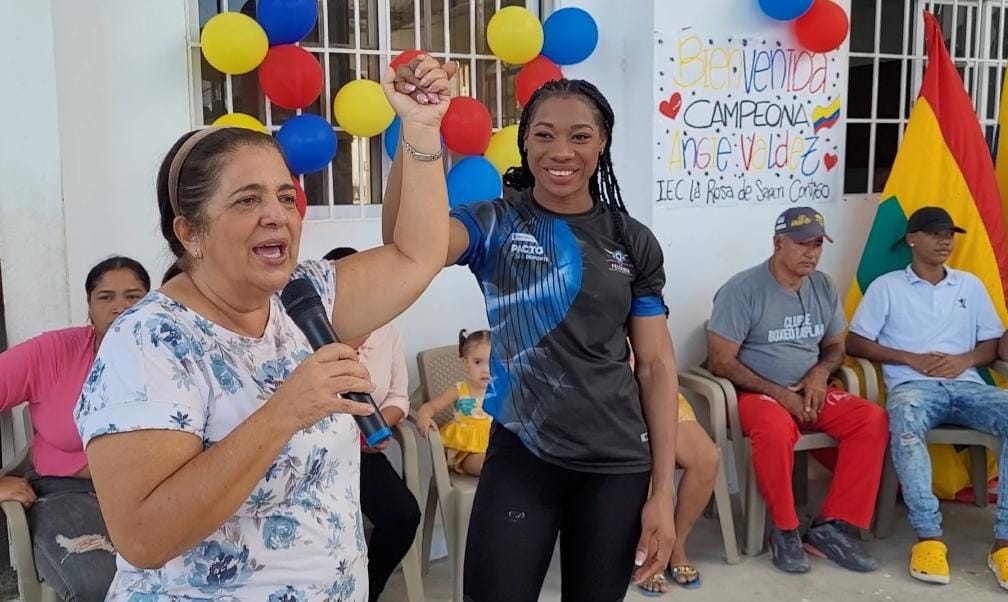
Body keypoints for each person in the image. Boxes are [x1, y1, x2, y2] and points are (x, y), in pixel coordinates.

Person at [73, 57, 454, 601]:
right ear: (190, 233)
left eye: (283, 196)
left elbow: (418, 255)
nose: (277, 215)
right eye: (247, 200)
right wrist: (283, 411)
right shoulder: (148, 341)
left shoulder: (306, 294)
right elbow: (143, 537)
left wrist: (419, 129)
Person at [383, 76, 679, 602]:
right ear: (525, 143)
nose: (561, 151)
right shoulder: (495, 223)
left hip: (617, 464)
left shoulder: (630, 240)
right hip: (524, 453)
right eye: (544, 135)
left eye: (580, 136)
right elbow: (408, 246)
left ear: (603, 142)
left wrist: (662, 492)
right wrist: (417, 129)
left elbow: (654, 365)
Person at [707, 207, 887, 575]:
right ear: (777, 243)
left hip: (810, 391)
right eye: (802, 244)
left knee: (871, 419)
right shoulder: (743, 289)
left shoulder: (822, 286)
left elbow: (836, 346)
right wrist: (780, 394)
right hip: (755, 394)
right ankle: (785, 529)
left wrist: (821, 373)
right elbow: (720, 362)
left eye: (817, 244)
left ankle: (831, 526)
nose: (811, 253)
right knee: (774, 429)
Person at [846, 206, 1008, 589]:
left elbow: (991, 343)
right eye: (936, 234)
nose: (945, 241)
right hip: (913, 389)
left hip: (967, 384)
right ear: (912, 240)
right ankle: (928, 537)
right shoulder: (887, 286)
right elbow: (855, 340)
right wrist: (908, 357)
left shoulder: (969, 285)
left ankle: (1003, 542)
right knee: (904, 424)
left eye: (949, 235)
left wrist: (964, 360)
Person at [0, 256, 150, 601]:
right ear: (89, 305)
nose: (119, 308)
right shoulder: (52, 352)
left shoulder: (171, 355)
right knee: (99, 582)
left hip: (154, 492)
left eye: (133, 297)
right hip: (67, 493)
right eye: (105, 297)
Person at [323, 246, 420, 602]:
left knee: (404, 516)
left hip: (365, 450)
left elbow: (398, 397)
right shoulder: (310, 332)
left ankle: (366, 591)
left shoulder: (386, 331)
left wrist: (377, 426)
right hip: (320, 452)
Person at [627, 344, 719, 593]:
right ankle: (649, 552)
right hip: (614, 396)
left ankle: (675, 545)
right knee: (641, 459)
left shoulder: (643, 306)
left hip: (654, 387)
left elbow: (658, 355)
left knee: (706, 457)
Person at [415, 329, 492, 476]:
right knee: (486, 463)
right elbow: (431, 406)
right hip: (467, 451)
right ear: (466, 363)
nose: (486, 370)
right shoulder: (459, 390)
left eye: (492, 362)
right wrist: (424, 416)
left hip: (493, 442)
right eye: (478, 362)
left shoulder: (500, 391)